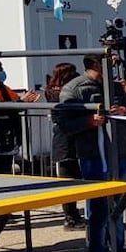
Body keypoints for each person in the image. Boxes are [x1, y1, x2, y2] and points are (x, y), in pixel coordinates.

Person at [56, 54, 126, 252]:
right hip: (95, 157)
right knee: (99, 210)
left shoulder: (115, 87)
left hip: (119, 154)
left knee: (120, 206)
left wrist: (125, 112)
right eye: (109, 65)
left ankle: (119, 251)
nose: (113, 69)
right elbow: (63, 124)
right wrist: (88, 122)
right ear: (96, 65)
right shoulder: (73, 89)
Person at [45, 62, 86, 230]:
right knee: (69, 180)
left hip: (63, 140)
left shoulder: (51, 90)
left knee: (69, 179)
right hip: (66, 140)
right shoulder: (62, 93)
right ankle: (70, 217)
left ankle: (72, 215)